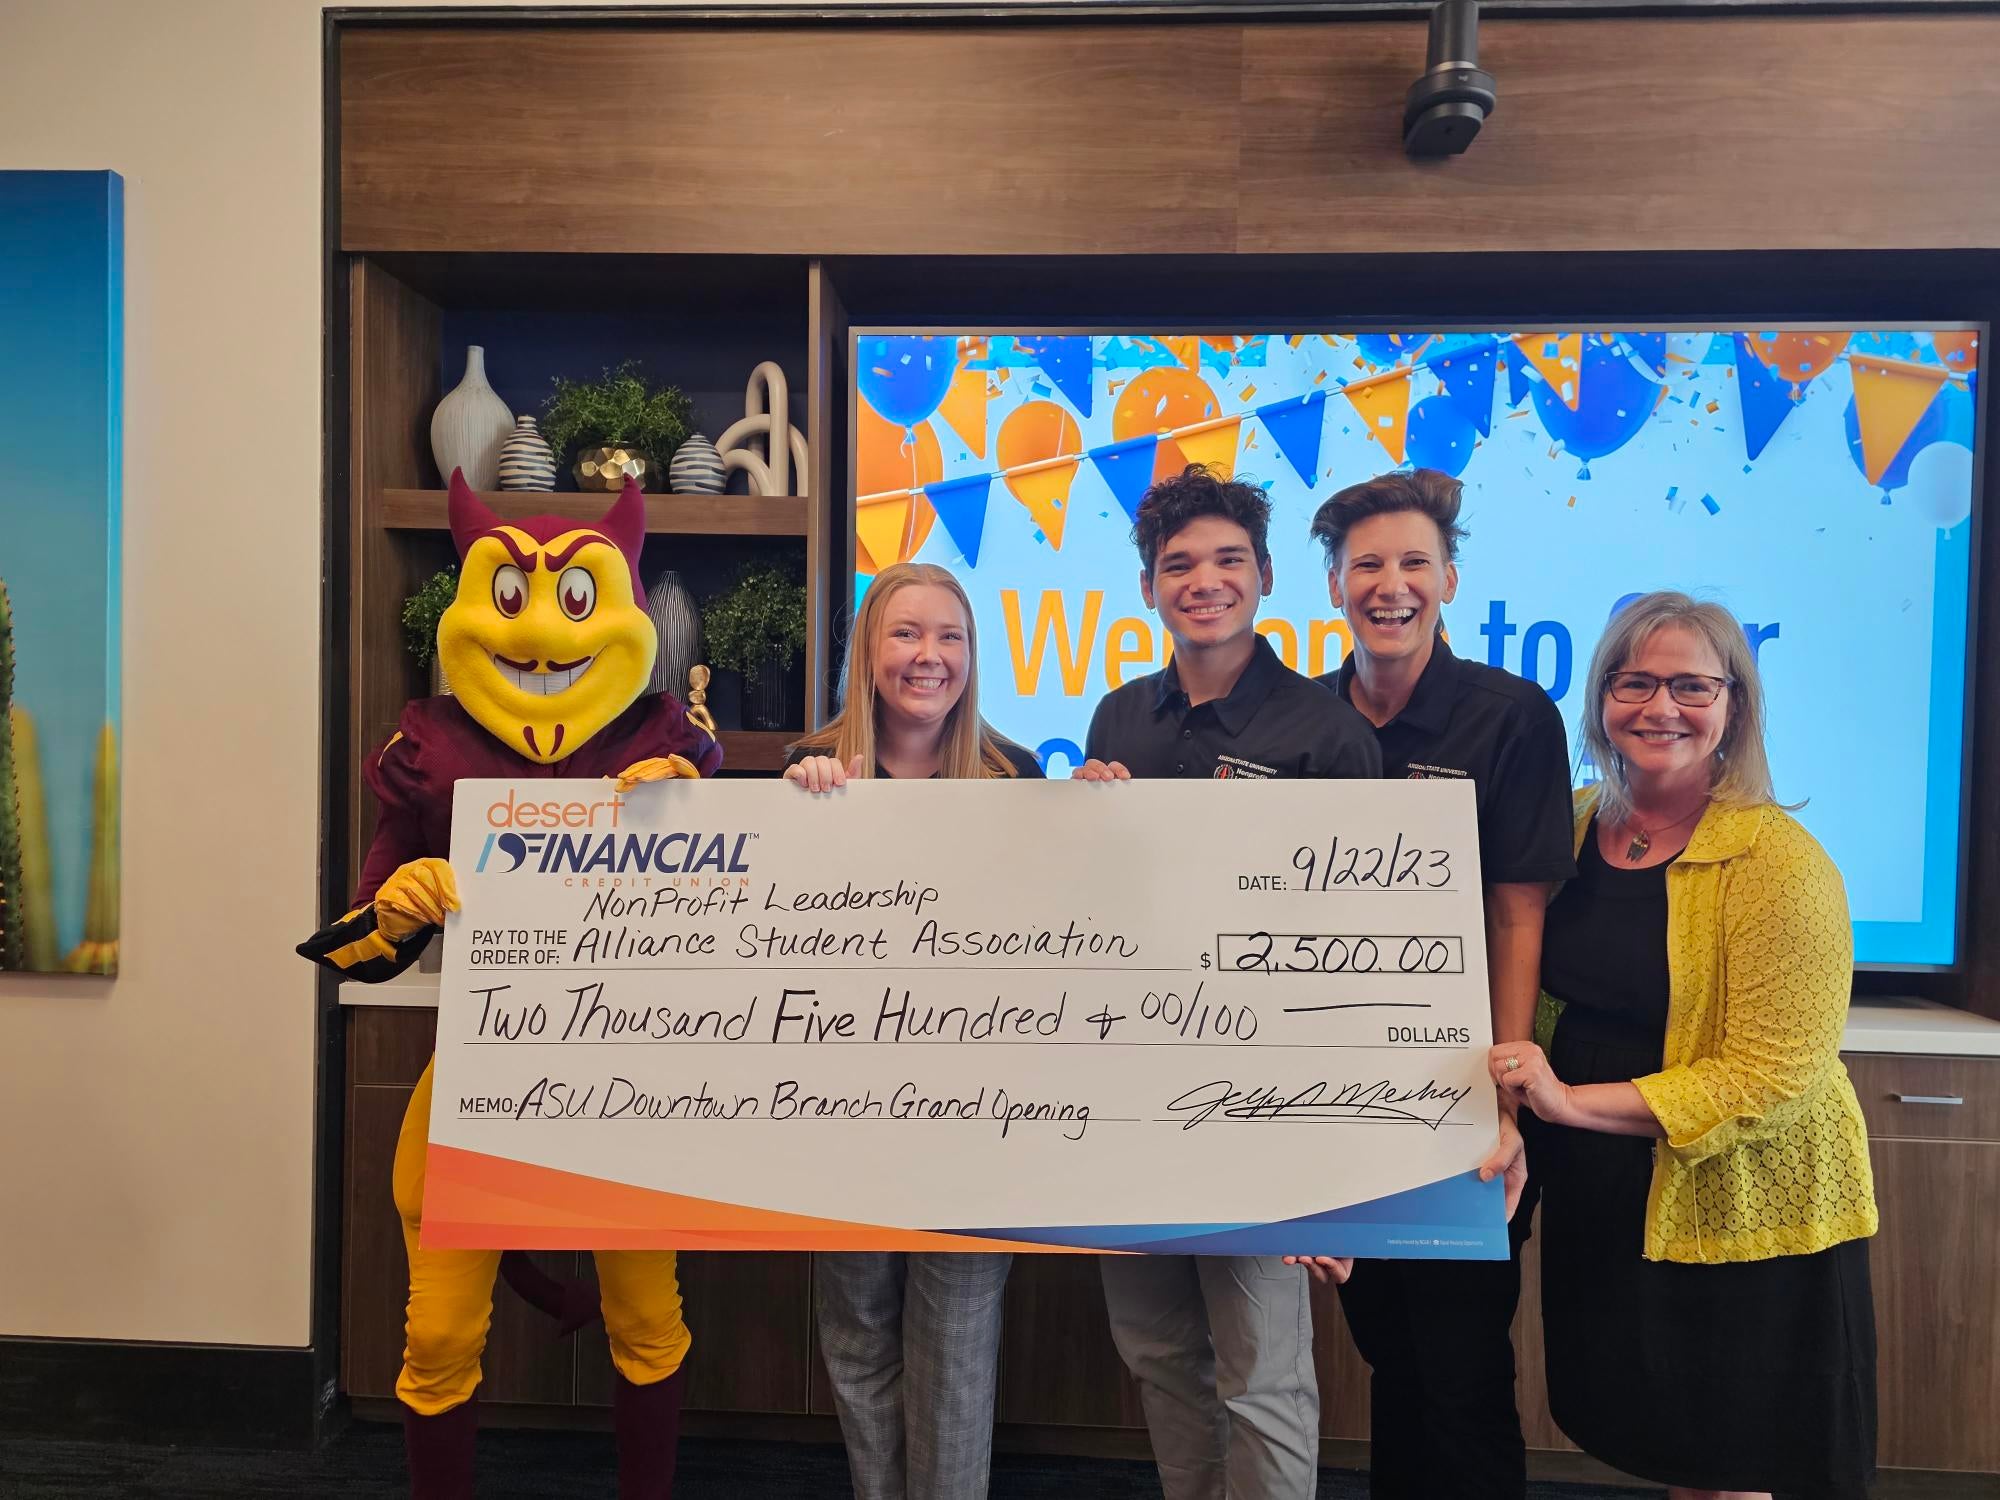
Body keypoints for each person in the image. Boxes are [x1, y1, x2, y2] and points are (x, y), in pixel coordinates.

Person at [300, 474, 709, 1500]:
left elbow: (735, 943)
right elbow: (354, 945)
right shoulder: (434, 758)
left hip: (626, 1081)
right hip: (482, 1071)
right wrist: (395, 905)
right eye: (512, 599)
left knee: (648, 1322)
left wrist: (698, 827)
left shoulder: (661, 746)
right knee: (436, 1332)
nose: (538, 636)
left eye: (572, 601)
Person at [1491, 591, 1878, 1500]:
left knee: (1733, 1459)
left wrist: (1566, 1103)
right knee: (1672, 1447)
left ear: (1734, 705)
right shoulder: (1580, 824)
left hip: (1736, 1209)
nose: (1661, 707)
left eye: (1692, 685)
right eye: (1635, 682)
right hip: (1607, 1193)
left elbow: (1769, 1077)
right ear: (1600, 700)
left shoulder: (1780, 861)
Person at [1072, 465, 1379, 1500]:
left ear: (1265, 576)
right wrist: (1079, 823)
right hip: (1130, 1102)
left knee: (1262, 1376)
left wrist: (1329, 1154)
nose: (1202, 580)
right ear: (1149, 588)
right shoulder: (1117, 720)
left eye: (1225, 560)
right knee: (1156, 1354)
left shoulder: (1325, 733)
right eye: (1176, 565)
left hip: (1262, 1105)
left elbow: (1360, 945)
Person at [1308, 469, 1571, 1500]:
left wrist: (1497, 1104)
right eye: (1366, 564)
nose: (1390, 583)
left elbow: (1517, 913)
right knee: (1387, 1351)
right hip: (1333, 1092)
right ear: (1332, 585)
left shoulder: (1509, 717)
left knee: (1459, 1367)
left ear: (1448, 579)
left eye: (1413, 561)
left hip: (1463, 1092)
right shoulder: (1303, 722)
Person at [784, 560, 1039, 1500]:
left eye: (950, 638)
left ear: (973, 656)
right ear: (868, 651)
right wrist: (802, 814)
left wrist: (1097, 811)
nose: (928, 657)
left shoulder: (1019, 777)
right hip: (846, 1115)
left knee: (957, 1352)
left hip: (978, 1118)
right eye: (905, 634)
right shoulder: (809, 771)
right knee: (856, 1339)